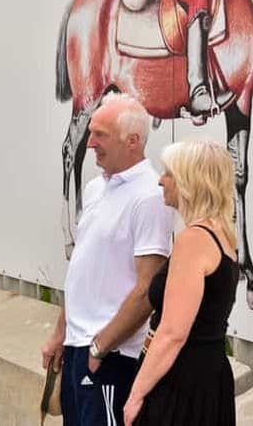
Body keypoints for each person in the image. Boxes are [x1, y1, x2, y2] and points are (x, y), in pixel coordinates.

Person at [41, 93, 174, 426]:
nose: (89, 143)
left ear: (132, 141)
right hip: (78, 347)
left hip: (111, 355)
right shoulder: (96, 188)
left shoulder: (150, 196)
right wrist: (61, 333)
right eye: (91, 132)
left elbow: (147, 289)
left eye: (100, 135)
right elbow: (82, 271)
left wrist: (102, 346)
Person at [123, 140, 239, 426]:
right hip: (208, 378)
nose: (161, 181)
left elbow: (173, 333)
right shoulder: (223, 235)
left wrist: (136, 393)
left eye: (169, 174)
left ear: (190, 181)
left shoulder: (194, 240)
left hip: (181, 381)